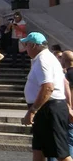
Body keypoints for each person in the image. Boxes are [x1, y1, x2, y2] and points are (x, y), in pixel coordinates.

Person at [20, 33, 73, 161]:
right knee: (39, 150)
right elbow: (61, 83)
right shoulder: (45, 58)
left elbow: (48, 87)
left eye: (26, 44)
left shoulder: (43, 60)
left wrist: (32, 111)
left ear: (33, 45)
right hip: (47, 108)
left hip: (49, 109)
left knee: (60, 153)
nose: (25, 48)